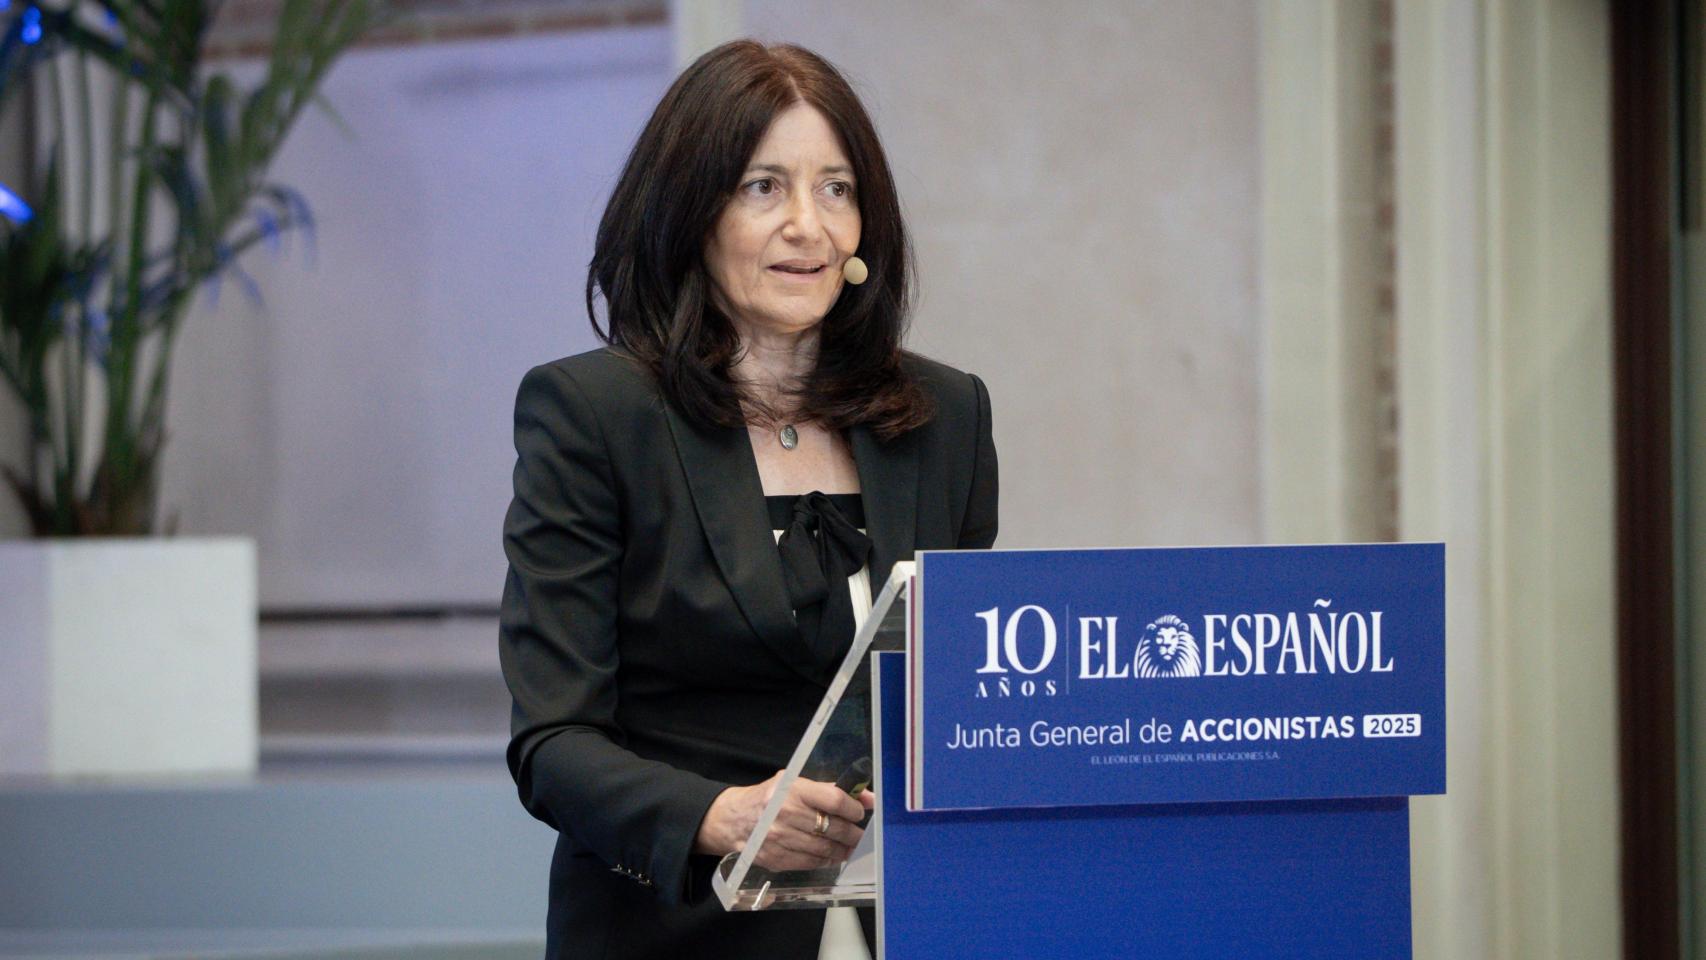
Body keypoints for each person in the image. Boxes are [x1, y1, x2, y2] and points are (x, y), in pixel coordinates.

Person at [499, 39, 998, 959]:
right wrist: (722, 817)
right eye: (763, 187)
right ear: (693, 211)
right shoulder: (594, 417)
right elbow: (554, 740)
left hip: (919, 927)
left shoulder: (944, 416)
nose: (807, 224)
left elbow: (960, 697)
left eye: (836, 188)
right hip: (680, 931)